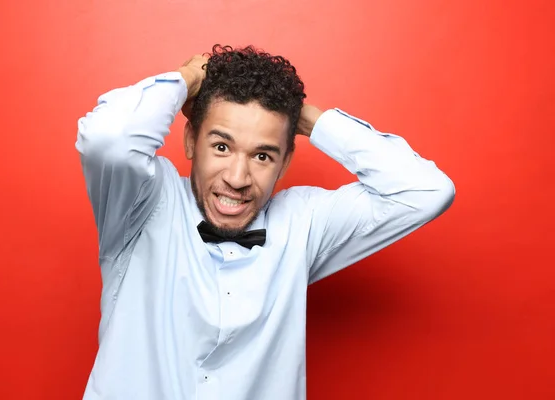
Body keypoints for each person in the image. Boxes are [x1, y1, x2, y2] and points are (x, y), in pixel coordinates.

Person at [75, 44, 455, 400]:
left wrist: (307, 120)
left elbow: (426, 191)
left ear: (285, 162)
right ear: (191, 141)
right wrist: (188, 78)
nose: (237, 178)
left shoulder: (304, 223)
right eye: (221, 147)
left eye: (262, 156)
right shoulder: (142, 204)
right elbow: (109, 138)